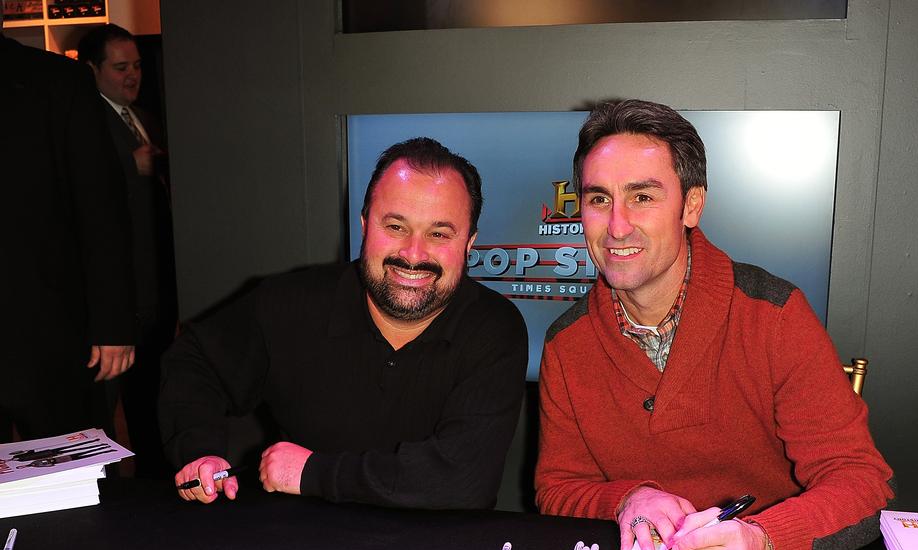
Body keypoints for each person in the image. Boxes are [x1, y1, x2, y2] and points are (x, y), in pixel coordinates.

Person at [535, 99, 894, 550]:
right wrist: (627, 499)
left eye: (642, 197)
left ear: (692, 205)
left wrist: (764, 541)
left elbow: (862, 483)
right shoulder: (565, 343)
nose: (616, 226)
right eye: (599, 199)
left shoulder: (773, 314)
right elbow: (557, 490)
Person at [161, 137, 528, 509]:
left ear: (469, 243)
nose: (413, 254)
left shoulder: (494, 329)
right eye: (396, 226)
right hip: (300, 545)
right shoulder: (292, 302)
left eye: (438, 233)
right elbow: (196, 361)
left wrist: (311, 473)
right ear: (365, 224)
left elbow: (462, 481)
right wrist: (199, 451)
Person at [0, 17, 135, 442]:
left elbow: (100, 205)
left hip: (50, 333)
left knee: (76, 483)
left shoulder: (56, 79)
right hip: (47, 328)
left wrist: (113, 324)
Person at [79, 24, 177, 478]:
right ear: (92, 69)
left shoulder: (145, 117)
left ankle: (153, 476)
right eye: (121, 67)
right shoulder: (83, 122)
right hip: (117, 289)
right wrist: (127, 167)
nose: (133, 75)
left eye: (137, 66)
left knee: (150, 392)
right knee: (100, 404)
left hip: (152, 283)